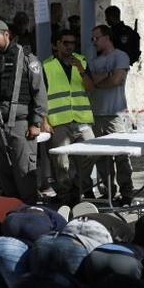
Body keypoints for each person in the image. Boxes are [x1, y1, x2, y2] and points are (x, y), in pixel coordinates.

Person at [0, 19, 47, 204]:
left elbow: (39, 92)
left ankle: (30, 209)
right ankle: (11, 210)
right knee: (5, 173)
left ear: (6, 34)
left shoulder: (26, 58)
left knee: (24, 172)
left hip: (20, 125)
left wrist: (36, 123)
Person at [42, 29, 96, 206]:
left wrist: (80, 69)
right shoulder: (47, 66)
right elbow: (40, 96)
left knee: (91, 154)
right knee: (60, 162)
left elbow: (89, 87)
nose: (69, 47)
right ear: (57, 44)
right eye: (65, 43)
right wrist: (44, 120)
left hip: (81, 118)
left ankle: (79, 187)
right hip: (59, 120)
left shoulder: (81, 61)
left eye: (72, 43)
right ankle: (65, 195)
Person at [88, 25, 134, 204]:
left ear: (107, 38)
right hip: (96, 114)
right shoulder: (93, 61)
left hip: (115, 114)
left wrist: (101, 79)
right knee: (101, 157)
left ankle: (126, 193)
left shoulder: (120, 56)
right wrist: (104, 77)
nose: (93, 42)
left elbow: (117, 79)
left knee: (121, 156)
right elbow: (89, 82)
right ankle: (108, 192)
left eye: (96, 38)